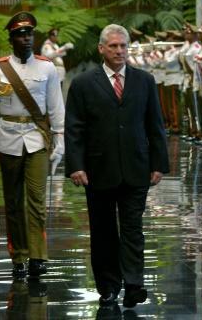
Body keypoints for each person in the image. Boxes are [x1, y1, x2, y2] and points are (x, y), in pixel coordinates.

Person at [64, 24, 169, 308]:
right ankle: (108, 286)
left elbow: (155, 124)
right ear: (101, 49)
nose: (119, 51)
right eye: (113, 46)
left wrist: (159, 162)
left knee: (133, 228)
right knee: (103, 230)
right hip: (98, 170)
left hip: (136, 167)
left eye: (123, 46)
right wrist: (75, 165)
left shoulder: (144, 80)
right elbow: (74, 128)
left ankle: (134, 283)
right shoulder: (84, 84)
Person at [0, 11, 64, 279]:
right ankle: (18, 255)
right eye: (20, 35)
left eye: (29, 34)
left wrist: (60, 141)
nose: (26, 39)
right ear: (11, 39)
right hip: (7, 138)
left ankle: (38, 256)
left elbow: (56, 106)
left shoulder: (47, 67)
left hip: (37, 139)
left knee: (37, 201)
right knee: (14, 202)